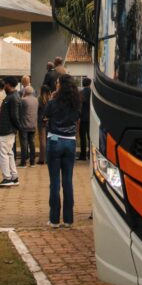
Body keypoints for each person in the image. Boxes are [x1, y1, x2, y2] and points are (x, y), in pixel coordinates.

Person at [43, 75, 81, 227]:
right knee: (68, 181)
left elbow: (44, 116)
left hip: (55, 140)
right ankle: (68, 219)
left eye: (57, 82)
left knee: (54, 182)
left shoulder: (53, 102)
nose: (56, 84)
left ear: (61, 85)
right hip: (70, 141)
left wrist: (52, 99)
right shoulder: (76, 102)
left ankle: (54, 219)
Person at [0, 76, 23, 187]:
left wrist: (18, 128)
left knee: (3, 155)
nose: (4, 86)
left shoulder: (12, 98)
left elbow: (15, 116)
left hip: (6, 131)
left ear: (8, 85)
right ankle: (14, 176)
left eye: (5, 84)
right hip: (7, 130)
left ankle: (7, 178)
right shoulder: (12, 97)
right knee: (9, 154)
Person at [19, 85, 38, 167]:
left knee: (24, 143)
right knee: (32, 143)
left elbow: (19, 111)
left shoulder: (23, 100)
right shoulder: (36, 100)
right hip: (33, 124)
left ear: (25, 92)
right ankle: (32, 161)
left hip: (24, 125)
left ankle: (23, 162)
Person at [37, 84, 51, 166]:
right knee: (50, 139)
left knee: (42, 140)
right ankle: (49, 158)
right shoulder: (51, 98)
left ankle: (42, 159)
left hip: (41, 121)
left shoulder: (39, 99)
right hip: (49, 121)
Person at [78, 77, 92, 161]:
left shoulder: (81, 93)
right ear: (89, 84)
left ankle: (83, 155)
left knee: (82, 137)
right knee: (90, 137)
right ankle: (90, 154)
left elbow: (80, 105)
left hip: (82, 117)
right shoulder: (92, 92)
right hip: (90, 118)